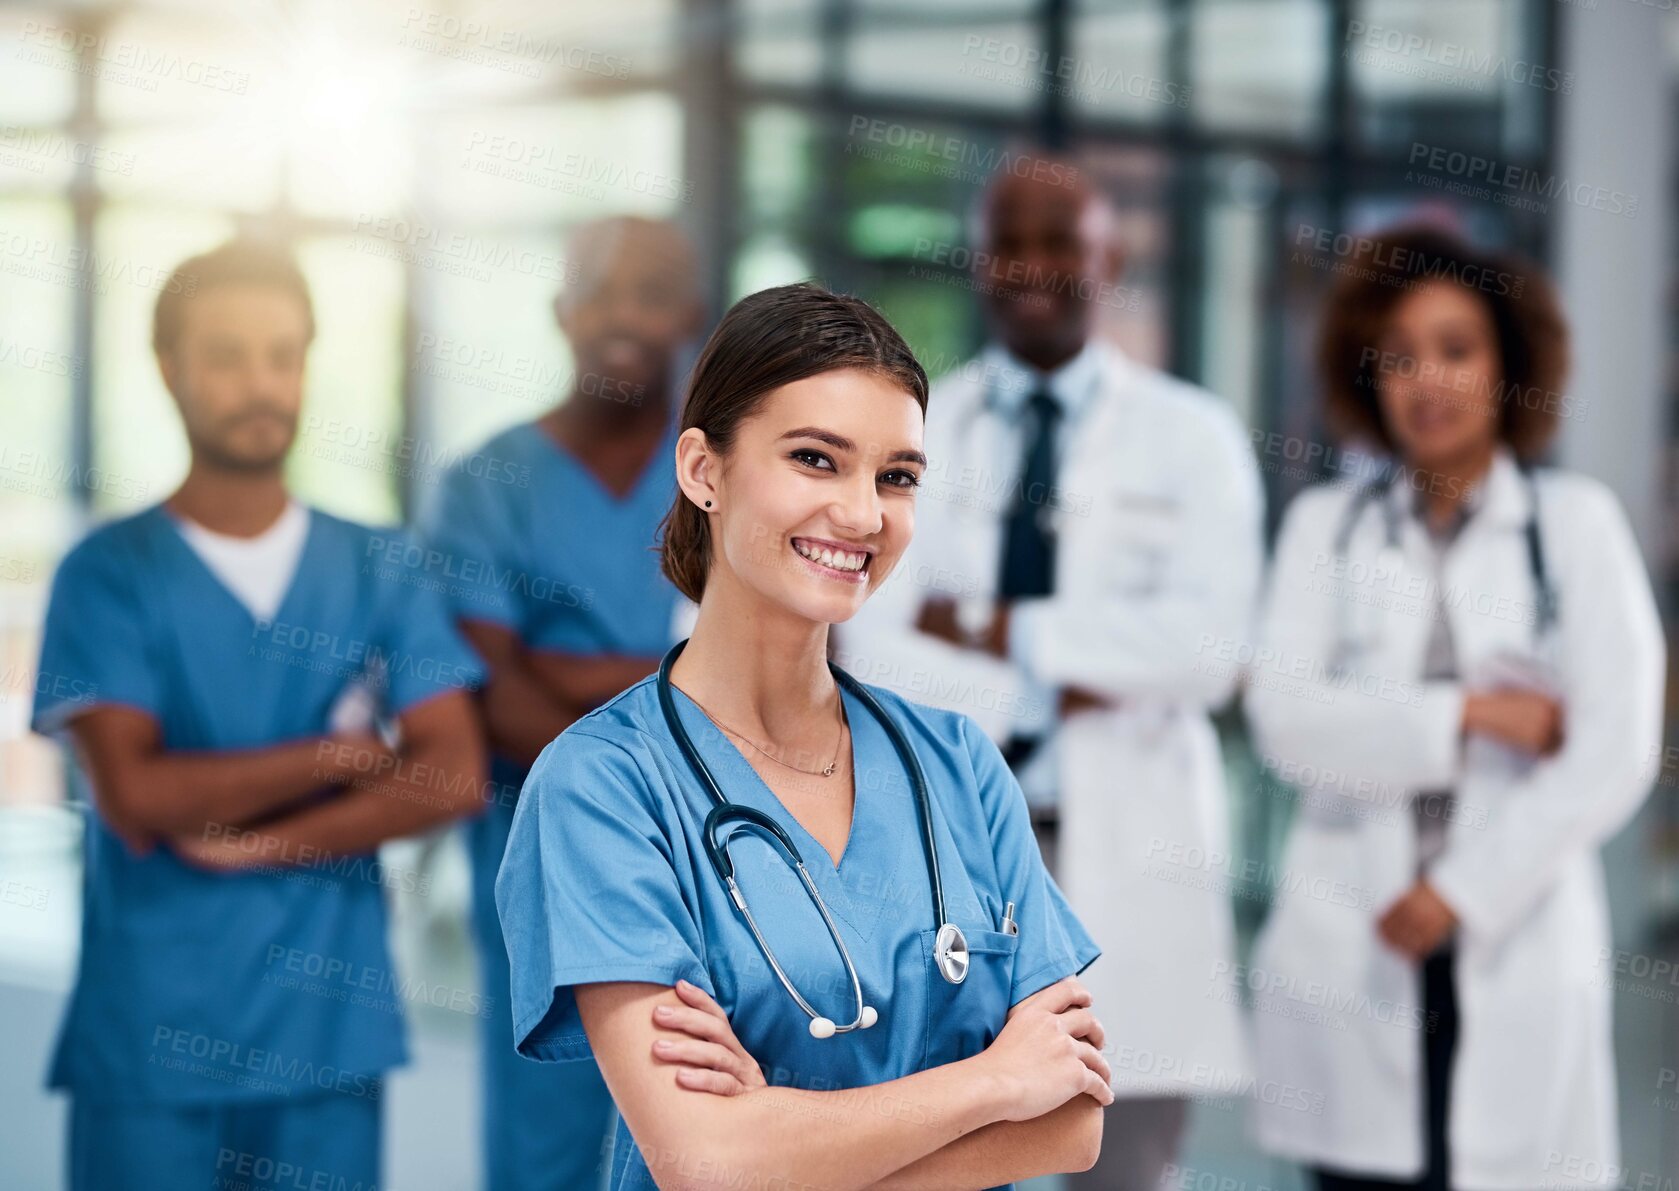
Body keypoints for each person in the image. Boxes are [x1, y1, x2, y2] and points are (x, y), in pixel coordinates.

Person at [494, 282, 1112, 1191]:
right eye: (817, 460)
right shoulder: (602, 785)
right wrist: (993, 1079)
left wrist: (777, 1146)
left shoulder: (959, 765)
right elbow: (700, 1158)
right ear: (703, 470)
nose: (863, 514)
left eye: (895, 475)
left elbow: (1069, 1124)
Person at [839, 154, 1262, 1187]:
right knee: (937, 1144)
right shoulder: (913, 429)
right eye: (1007, 243)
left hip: (1128, 848)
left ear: (1109, 257)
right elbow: (871, 639)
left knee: (1119, 1159)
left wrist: (983, 626)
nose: (1031, 266)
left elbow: (1205, 655)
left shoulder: (1192, 438)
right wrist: (1066, 676)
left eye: (1058, 242)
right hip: (961, 843)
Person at [30, 240, 488, 1191]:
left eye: (283, 354)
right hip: (154, 1040)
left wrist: (258, 841)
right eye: (227, 354)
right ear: (170, 369)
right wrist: (337, 753)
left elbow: (454, 771)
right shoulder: (108, 574)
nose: (260, 383)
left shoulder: (380, 562)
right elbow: (138, 792)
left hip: (326, 1038)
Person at [1244, 224, 1665, 1191]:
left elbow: (1614, 746)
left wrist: (1460, 892)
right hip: (1352, 939)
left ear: (1508, 365)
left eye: (1454, 349)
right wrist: (1467, 715)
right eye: (1396, 357)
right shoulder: (1326, 527)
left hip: (1510, 929)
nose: (1424, 379)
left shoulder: (1575, 528)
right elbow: (1284, 717)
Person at [419, 215, 704, 1191]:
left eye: (651, 288)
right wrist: (666, 681)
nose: (623, 312)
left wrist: (562, 669)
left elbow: (783, 669)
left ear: (693, 314)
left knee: (703, 1128)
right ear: (559, 310)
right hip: (540, 866)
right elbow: (490, 702)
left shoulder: (740, 476)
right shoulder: (484, 484)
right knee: (544, 1137)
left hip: (713, 872)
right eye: (599, 287)